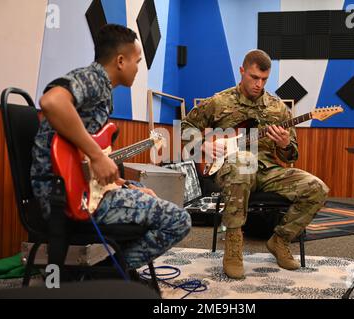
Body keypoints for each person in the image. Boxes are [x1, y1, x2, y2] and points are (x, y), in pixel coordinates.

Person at [31, 24, 191, 270]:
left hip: (78, 186)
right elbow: (51, 101)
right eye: (137, 61)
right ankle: (112, 273)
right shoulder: (93, 78)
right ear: (120, 61)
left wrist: (124, 185)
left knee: (139, 187)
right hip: (61, 197)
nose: (138, 68)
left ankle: (108, 271)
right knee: (179, 220)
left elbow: (84, 159)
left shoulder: (104, 90)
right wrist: (97, 156)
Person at [181, 49, 329, 278]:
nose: (259, 84)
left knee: (317, 188)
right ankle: (233, 246)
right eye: (254, 77)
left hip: (268, 171)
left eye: (264, 79)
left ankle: (280, 240)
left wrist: (284, 144)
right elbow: (184, 125)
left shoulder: (278, 107)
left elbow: (291, 156)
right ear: (242, 71)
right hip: (231, 170)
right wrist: (202, 144)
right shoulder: (219, 101)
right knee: (244, 161)